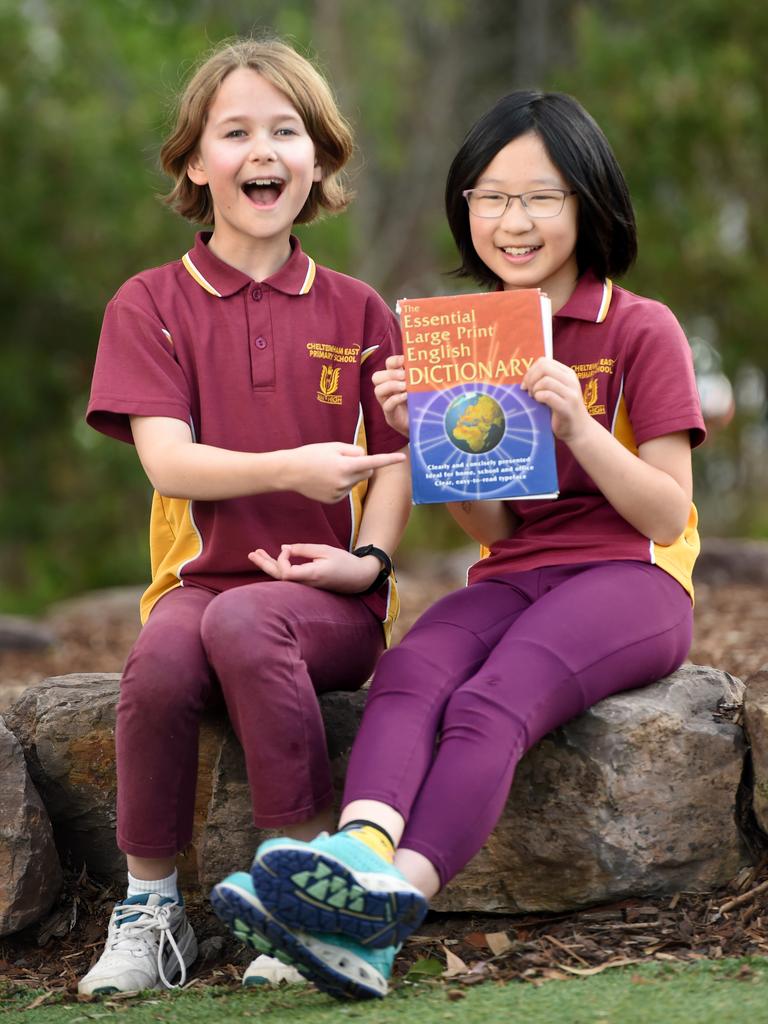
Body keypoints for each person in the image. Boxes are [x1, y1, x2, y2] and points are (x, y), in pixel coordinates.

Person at [211, 90, 706, 1000]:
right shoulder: (468, 335)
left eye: (541, 197)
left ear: (588, 202)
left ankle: (394, 900)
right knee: (411, 671)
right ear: (465, 208)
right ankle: (358, 857)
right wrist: (420, 434)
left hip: (634, 579)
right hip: (517, 570)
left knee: (491, 701)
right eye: (489, 196)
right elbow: (497, 528)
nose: (512, 222)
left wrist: (580, 423)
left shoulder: (642, 327)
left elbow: (668, 517)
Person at [77, 37, 411, 996]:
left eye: (286, 129)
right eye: (235, 131)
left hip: (329, 601)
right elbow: (168, 459)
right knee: (161, 660)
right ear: (195, 161)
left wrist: (371, 564)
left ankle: (300, 892)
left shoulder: (359, 309)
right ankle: (151, 910)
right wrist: (292, 465)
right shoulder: (150, 305)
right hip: (204, 581)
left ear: (318, 160)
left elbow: (395, 459)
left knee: (248, 619)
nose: (262, 149)